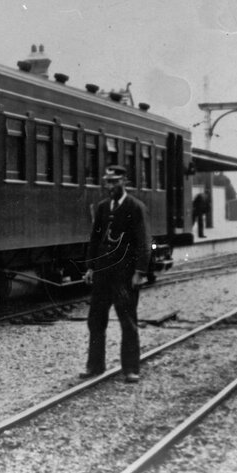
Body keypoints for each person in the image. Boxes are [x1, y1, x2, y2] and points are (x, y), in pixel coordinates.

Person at [80, 165, 151, 384]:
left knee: (127, 321)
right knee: (95, 321)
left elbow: (144, 242)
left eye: (114, 182)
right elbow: (95, 239)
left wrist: (139, 272)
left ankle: (131, 369)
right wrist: (90, 267)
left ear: (124, 182)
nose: (109, 186)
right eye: (107, 182)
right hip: (102, 274)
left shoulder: (136, 207)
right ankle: (95, 366)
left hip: (124, 275)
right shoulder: (102, 208)